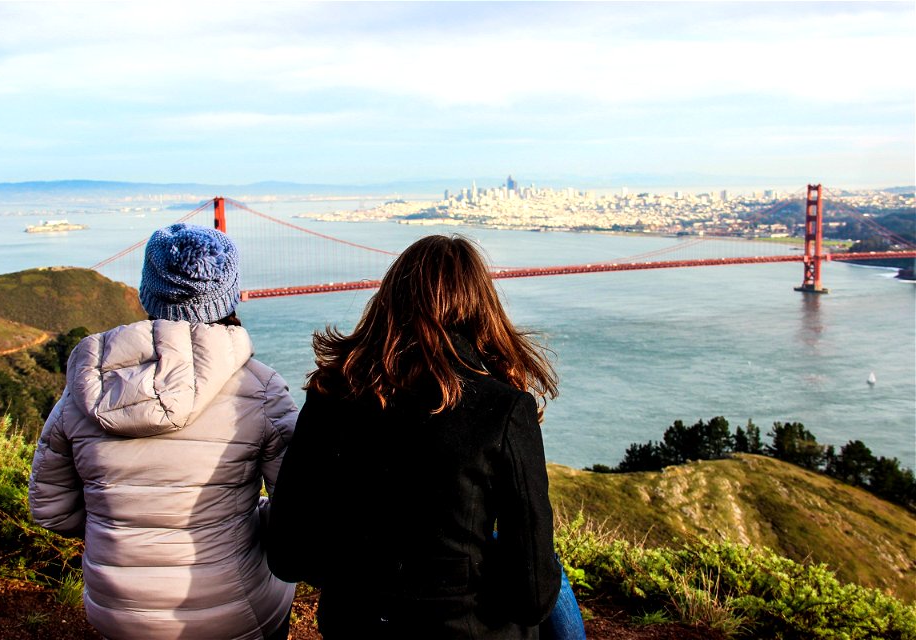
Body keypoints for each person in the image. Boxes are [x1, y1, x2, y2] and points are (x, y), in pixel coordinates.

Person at [267, 234, 584, 639]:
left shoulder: (330, 396)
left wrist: (362, 569)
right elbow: (532, 596)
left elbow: (290, 555)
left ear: (388, 301)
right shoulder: (505, 410)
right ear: (481, 309)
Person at [29, 223, 297, 640]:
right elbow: (297, 507)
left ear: (146, 292)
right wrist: (248, 518)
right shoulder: (261, 389)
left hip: (118, 611)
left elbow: (49, 509)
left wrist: (119, 529)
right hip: (236, 611)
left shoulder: (82, 391)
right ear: (228, 294)